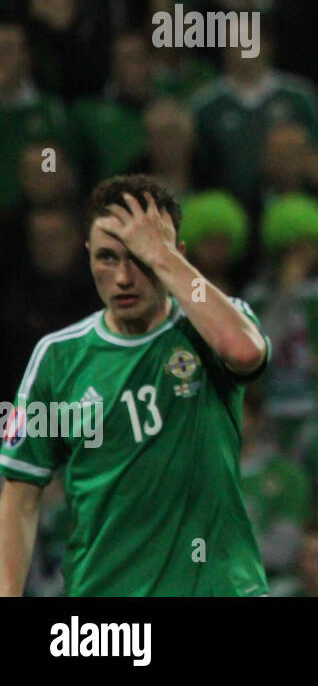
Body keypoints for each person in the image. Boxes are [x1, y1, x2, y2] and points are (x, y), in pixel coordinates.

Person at [0, 174, 271, 595]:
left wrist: (163, 257)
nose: (123, 278)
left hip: (220, 588)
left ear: (176, 256)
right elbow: (20, 492)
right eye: (107, 258)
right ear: (87, 255)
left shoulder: (215, 324)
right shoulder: (57, 357)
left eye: (140, 260)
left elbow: (243, 352)